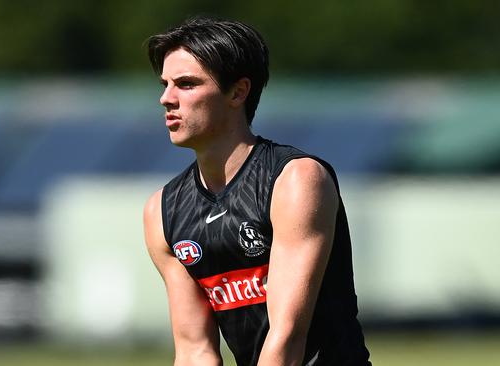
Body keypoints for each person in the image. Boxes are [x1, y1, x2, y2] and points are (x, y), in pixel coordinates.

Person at [142, 16, 371, 366]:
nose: (165, 99)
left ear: (238, 92)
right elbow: (194, 351)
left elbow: (288, 338)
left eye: (186, 85)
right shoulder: (162, 211)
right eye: (165, 84)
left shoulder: (295, 179)